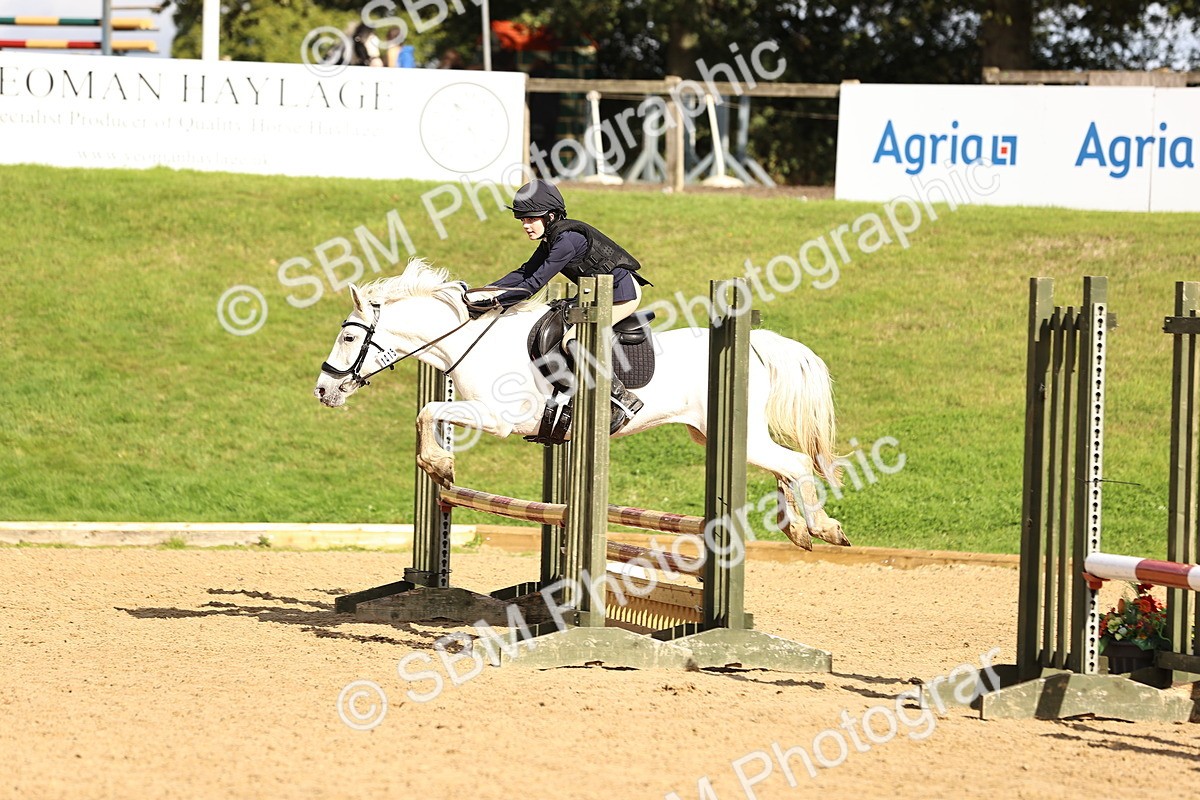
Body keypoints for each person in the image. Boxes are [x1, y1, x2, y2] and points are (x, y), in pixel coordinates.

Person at [470, 180, 650, 433]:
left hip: (621, 295)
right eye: (522, 220)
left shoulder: (567, 240)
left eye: (531, 219)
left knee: (571, 340)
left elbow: (535, 283)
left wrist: (497, 302)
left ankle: (621, 398)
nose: (526, 225)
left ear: (550, 216)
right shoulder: (551, 238)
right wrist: (484, 291)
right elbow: (524, 272)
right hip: (597, 293)